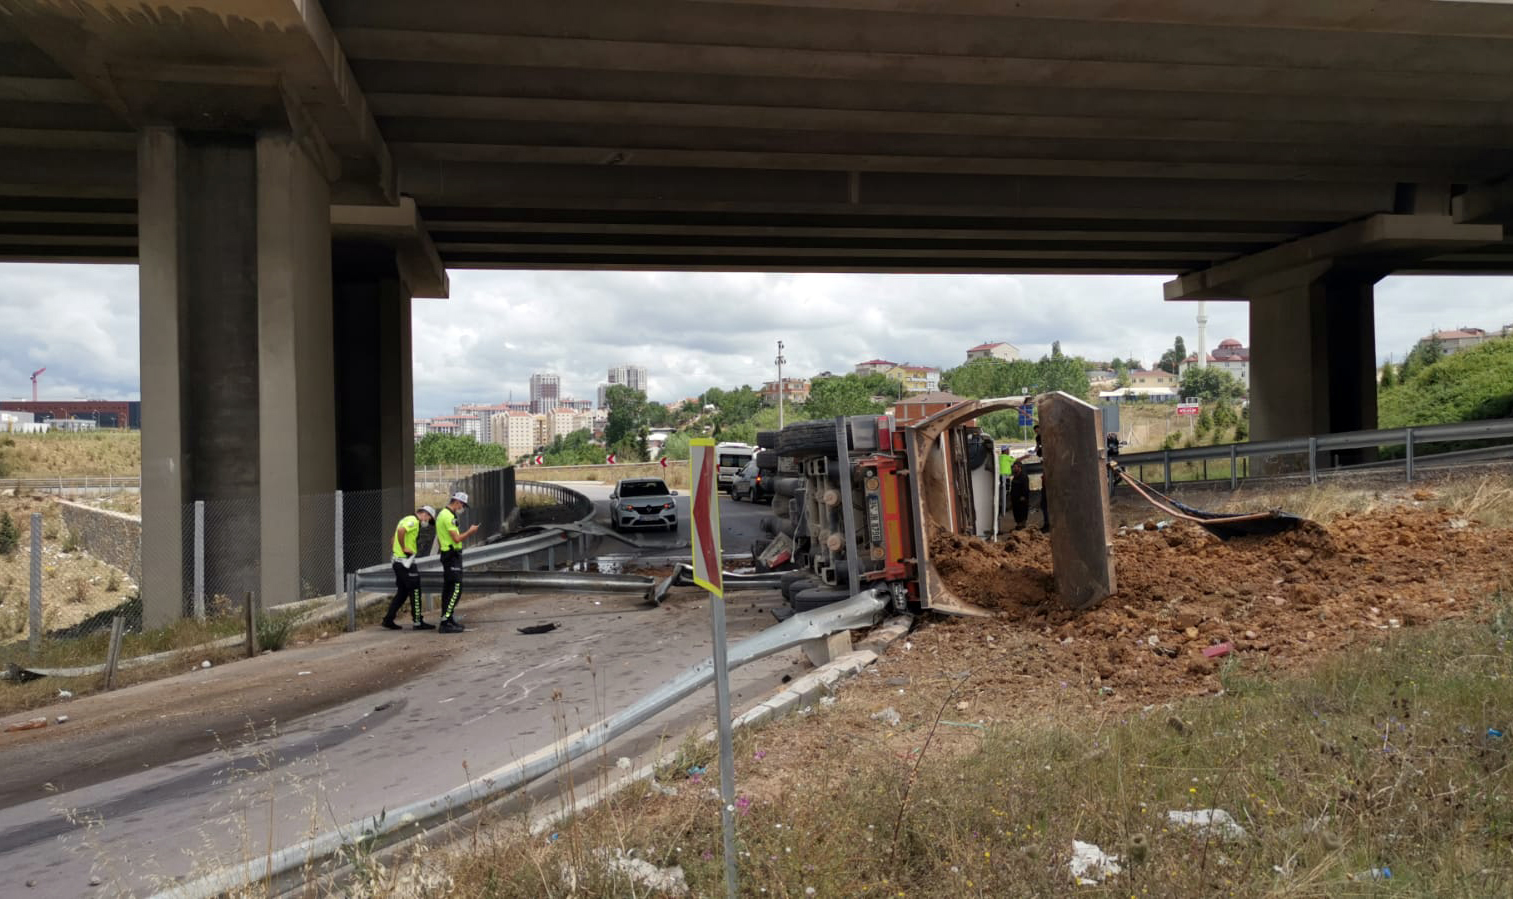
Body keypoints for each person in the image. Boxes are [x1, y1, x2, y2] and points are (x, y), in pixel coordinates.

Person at [382, 505, 436, 630]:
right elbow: (401, 531)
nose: (427, 522)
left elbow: (393, 537)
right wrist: (403, 548)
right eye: (428, 519)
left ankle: (388, 619)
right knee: (415, 590)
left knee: (402, 592)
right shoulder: (413, 521)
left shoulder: (405, 519)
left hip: (399, 561)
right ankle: (418, 622)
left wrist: (396, 548)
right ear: (425, 514)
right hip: (405, 563)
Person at [435, 492, 480, 633]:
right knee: (456, 588)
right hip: (451, 555)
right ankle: (445, 622)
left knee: (449, 589)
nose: (463, 508)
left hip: (448, 554)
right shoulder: (448, 516)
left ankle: (447, 619)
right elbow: (456, 539)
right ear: (457, 502)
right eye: (463, 505)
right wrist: (471, 532)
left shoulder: (443, 514)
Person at [1009, 458, 1030, 530]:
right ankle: (1018, 524)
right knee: (1016, 512)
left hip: (1021, 499)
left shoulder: (1023, 477)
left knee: (1022, 512)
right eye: (1013, 467)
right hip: (1015, 499)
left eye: (1015, 467)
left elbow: (1026, 488)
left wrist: (1023, 496)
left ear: (1019, 467)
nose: (1014, 469)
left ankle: (1022, 525)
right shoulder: (1015, 476)